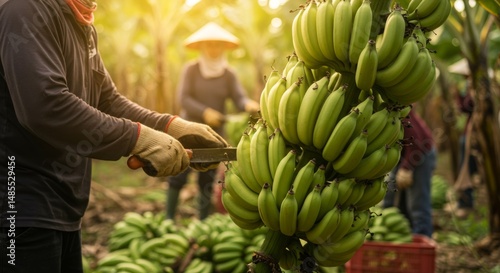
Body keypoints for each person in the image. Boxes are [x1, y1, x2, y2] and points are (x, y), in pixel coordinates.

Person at [0, 0, 228, 272]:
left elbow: (107, 100)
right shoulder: (26, 7)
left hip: (64, 204)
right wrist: (137, 138)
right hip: (18, 206)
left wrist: (170, 126)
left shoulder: (81, 20)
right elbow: (44, 105)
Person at [166, 22, 260, 220]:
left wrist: (248, 105)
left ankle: (202, 221)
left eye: (217, 45)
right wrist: (205, 111)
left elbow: (239, 98)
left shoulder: (228, 74)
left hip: (214, 135)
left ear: (224, 48)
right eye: (209, 45)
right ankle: (168, 219)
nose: (213, 49)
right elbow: (183, 99)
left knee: (207, 178)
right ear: (202, 47)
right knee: (178, 173)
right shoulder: (191, 70)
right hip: (187, 131)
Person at [383, 107, 437, 238]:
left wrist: (406, 168)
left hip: (420, 153)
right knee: (390, 195)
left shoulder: (400, 109)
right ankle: (398, 235)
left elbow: (416, 142)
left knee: (417, 204)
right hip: (403, 155)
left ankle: (422, 237)